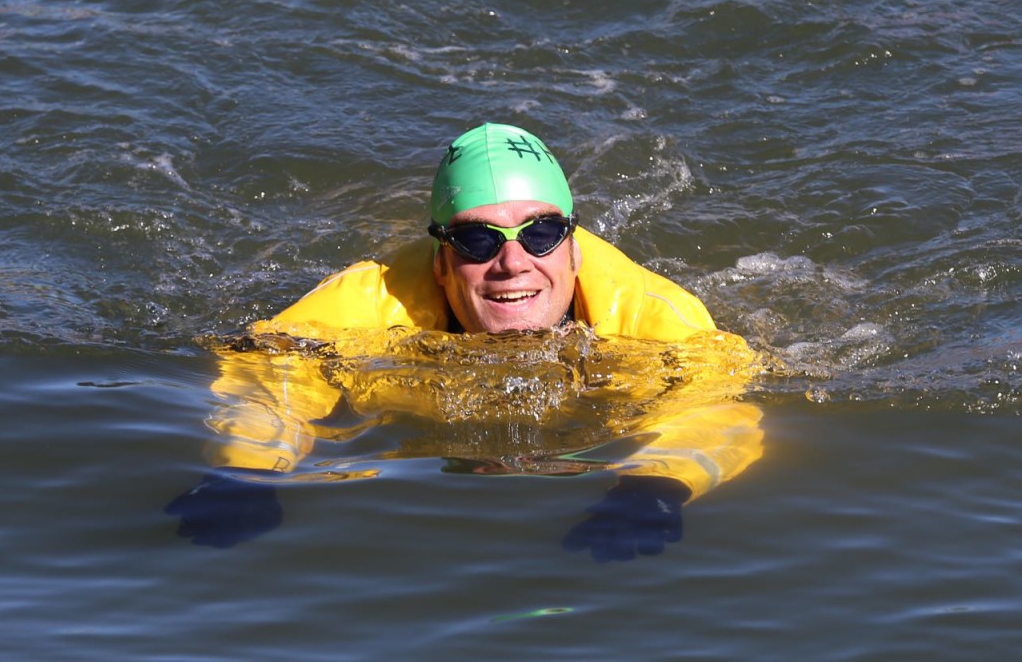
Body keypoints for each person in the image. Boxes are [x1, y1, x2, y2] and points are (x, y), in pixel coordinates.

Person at [167, 123, 764, 561]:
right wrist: (247, 472)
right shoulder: (365, 303)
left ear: (575, 248)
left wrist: (657, 484)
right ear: (440, 262)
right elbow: (270, 381)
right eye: (478, 240)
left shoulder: (651, 316)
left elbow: (719, 411)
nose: (513, 263)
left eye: (542, 233)